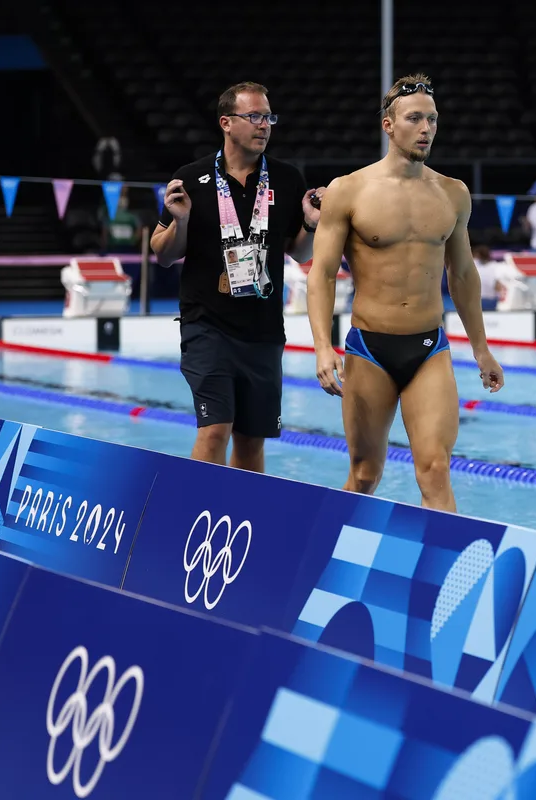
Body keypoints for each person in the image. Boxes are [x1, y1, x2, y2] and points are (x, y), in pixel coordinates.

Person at [306, 73, 505, 512]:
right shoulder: (349, 190)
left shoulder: (453, 193)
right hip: (370, 350)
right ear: (388, 125)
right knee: (364, 475)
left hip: (429, 348)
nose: (426, 128)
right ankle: (326, 563)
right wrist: (322, 347)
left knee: (435, 469)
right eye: (414, 118)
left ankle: (449, 578)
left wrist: (481, 349)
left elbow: (464, 276)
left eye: (432, 119)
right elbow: (320, 274)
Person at [150, 81, 324, 471]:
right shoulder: (192, 179)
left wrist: (312, 226)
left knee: (250, 444)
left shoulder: (286, 178)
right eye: (255, 117)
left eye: (269, 117)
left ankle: (246, 526)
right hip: (207, 326)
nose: (265, 125)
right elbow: (162, 254)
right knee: (214, 429)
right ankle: (196, 521)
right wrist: (180, 222)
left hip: (262, 330)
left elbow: (299, 253)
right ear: (226, 122)